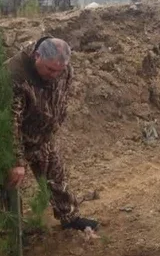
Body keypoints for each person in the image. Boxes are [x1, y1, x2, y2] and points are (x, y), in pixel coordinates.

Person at [6, 36, 99, 232]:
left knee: (57, 178)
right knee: (9, 186)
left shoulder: (61, 69)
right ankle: (13, 230)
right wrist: (16, 160)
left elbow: (60, 96)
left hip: (43, 136)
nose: (54, 75)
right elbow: (9, 122)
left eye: (59, 71)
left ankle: (70, 218)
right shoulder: (15, 76)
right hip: (13, 139)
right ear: (37, 56)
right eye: (49, 70)